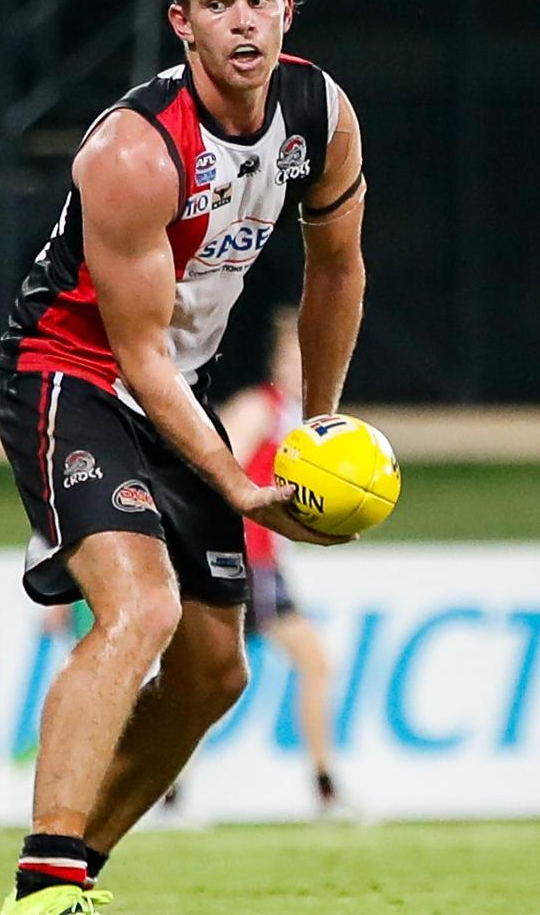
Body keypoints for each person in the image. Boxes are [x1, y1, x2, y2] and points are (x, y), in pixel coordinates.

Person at [0, 0, 366, 912]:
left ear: (287, 10)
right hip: (71, 374)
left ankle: (77, 872)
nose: (240, 20)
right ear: (181, 25)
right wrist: (241, 481)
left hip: (175, 385)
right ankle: (45, 884)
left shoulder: (319, 117)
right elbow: (139, 352)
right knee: (143, 606)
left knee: (214, 673)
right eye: (215, 3)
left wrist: (313, 435)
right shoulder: (133, 150)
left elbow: (335, 272)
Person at [221, 306, 338, 810]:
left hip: (267, 564)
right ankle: (325, 788)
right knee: (211, 682)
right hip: (242, 561)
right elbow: (214, 467)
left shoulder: (307, 424)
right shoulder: (259, 409)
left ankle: (325, 787)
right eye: (293, 356)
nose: (300, 367)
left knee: (217, 681)